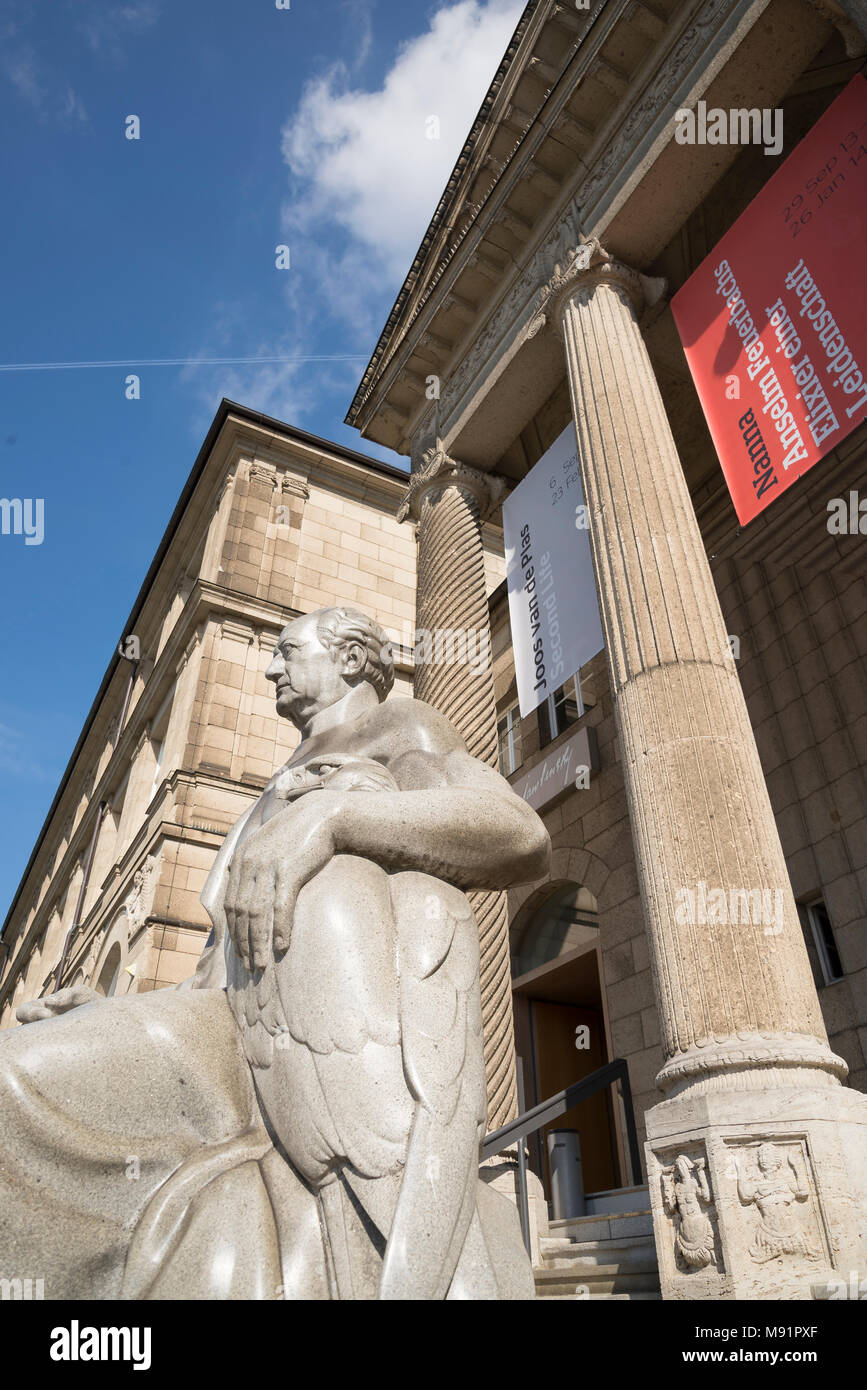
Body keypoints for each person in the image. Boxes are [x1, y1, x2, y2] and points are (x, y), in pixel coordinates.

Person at [0, 607, 549, 1300]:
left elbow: (515, 831)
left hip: (323, 1044)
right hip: (233, 1022)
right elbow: (224, 962)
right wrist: (111, 1008)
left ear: (350, 659)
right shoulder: (282, 769)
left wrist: (334, 816)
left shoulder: (396, 728)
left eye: (288, 651)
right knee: (14, 1083)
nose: (268, 667)